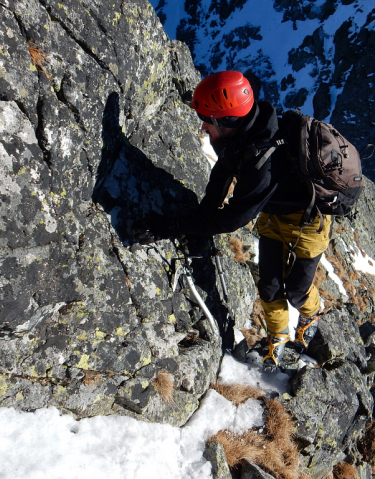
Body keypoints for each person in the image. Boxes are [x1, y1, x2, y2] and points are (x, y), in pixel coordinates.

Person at [133, 71, 332, 371]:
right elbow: (223, 171)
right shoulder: (243, 135)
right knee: (269, 285)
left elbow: (233, 219)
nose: (203, 126)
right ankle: (277, 338)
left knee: (296, 290)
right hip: (274, 216)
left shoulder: (263, 160)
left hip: (308, 223)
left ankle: (312, 313)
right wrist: (201, 215)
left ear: (226, 122)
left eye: (208, 121)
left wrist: (173, 227)